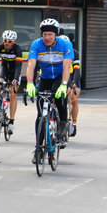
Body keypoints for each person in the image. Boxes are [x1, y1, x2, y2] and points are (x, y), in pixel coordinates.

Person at [25, 18, 73, 160]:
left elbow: (67, 66)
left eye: (50, 35)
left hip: (60, 77)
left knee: (59, 97)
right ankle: (39, 149)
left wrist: (64, 84)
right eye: (44, 34)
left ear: (55, 35)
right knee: (41, 115)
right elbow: (31, 65)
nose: (46, 37)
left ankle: (63, 124)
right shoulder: (37, 45)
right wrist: (29, 83)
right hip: (45, 78)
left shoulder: (65, 44)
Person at [0, 30, 23, 134]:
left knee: (13, 93)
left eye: (9, 41)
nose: (6, 43)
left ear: (14, 41)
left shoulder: (18, 49)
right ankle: (0, 105)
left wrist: (15, 80)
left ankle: (11, 121)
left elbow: (18, 66)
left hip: (14, 72)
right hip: (4, 69)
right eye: (5, 40)